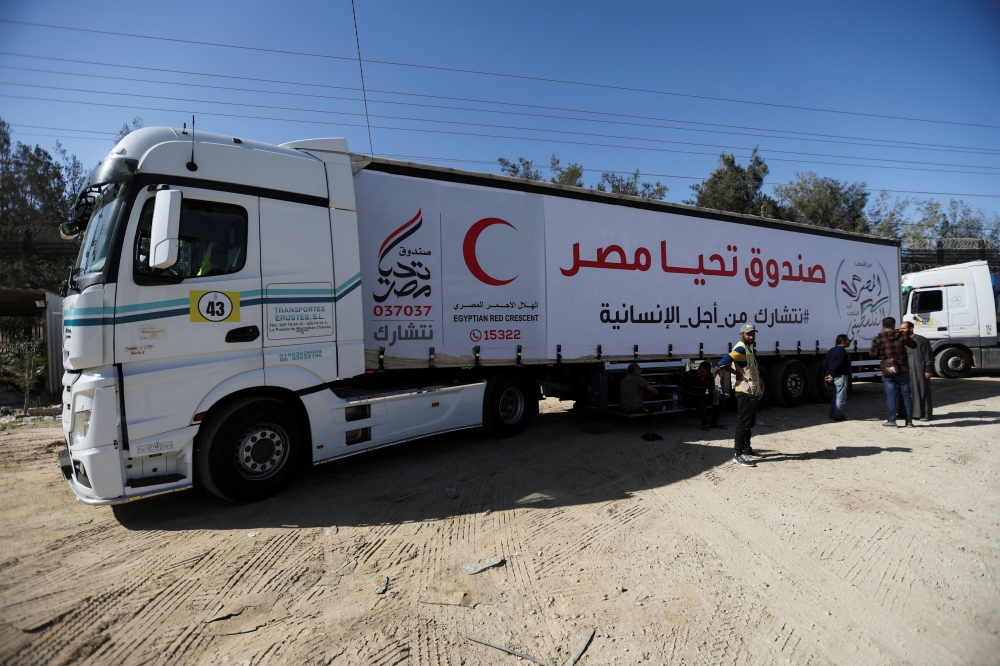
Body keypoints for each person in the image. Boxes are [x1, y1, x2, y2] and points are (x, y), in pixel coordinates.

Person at [717, 323, 763, 467]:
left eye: (753, 334)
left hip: (751, 390)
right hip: (744, 392)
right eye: (748, 334)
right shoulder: (741, 348)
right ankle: (738, 454)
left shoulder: (748, 347)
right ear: (741, 334)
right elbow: (722, 363)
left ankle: (747, 448)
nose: (751, 336)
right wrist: (737, 374)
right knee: (743, 423)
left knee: (750, 422)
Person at [869, 316, 917, 427]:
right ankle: (909, 421)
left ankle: (892, 421)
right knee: (906, 396)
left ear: (882, 325)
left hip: (888, 369)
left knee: (891, 396)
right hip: (903, 368)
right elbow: (914, 345)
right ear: (894, 325)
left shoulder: (878, 338)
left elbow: (873, 354)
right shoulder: (903, 336)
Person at [901, 321, 933, 421]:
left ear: (911, 329)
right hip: (906, 369)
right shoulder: (901, 340)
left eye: (904, 328)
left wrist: (928, 369)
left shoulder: (922, 340)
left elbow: (928, 356)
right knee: (906, 391)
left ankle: (924, 414)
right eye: (900, 328)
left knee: (922, 390)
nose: (901, 330)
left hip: (919, 369)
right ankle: (907, 413)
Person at [679, 361, 723, 430]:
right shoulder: (689, 374)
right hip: (689, 397)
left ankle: (714, 422)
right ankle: (705, 423)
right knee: (698, 400)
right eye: (699, 369)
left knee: (722, 398)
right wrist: (680, 402)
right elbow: (679, 388)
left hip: (700, 396)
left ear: (707, 372)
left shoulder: (710, 376)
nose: (699, 372)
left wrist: (716, 393)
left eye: (702, 372)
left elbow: (711, 389)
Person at [822, 334, 852, 421]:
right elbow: (838, 365)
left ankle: (832, 413)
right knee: (840, 397)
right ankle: (838, 415)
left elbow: (825, 364)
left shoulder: (830, 351)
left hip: (834, 377)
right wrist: (832, 374)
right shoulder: (842, 351)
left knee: (835, 396)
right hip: (840, 376)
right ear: (843, 342)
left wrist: (828, 374)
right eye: (847, 340)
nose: (849, 341)